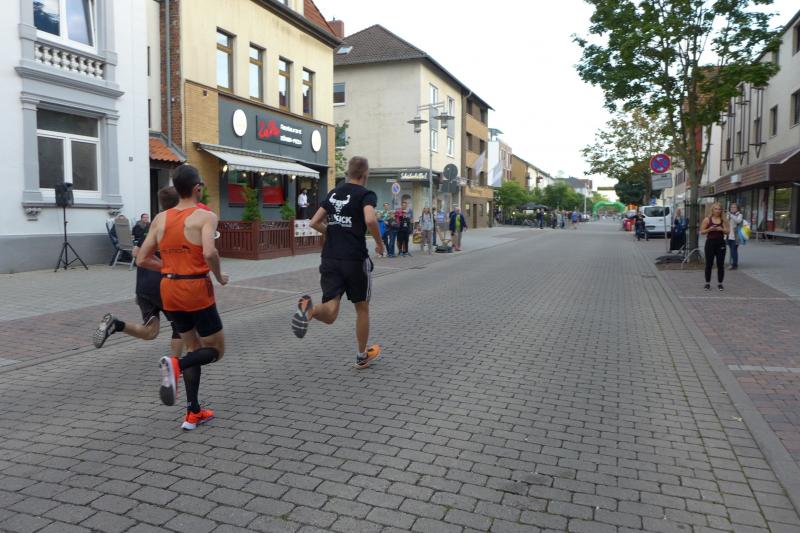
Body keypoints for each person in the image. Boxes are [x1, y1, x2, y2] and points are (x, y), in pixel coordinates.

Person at [138, 164, 229, 430]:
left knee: (193, 347)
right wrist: (220, 277)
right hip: (195, 289)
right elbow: (210, 253)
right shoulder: (206, 216)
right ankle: (175, 365)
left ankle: (193, 413)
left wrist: (168, 268)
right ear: (197, 187)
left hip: (169, 289)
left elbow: (142, 258)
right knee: (215, 351)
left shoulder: (160, 218)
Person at [291, 156, 385, 369]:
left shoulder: (334, 193)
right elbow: (370, 219)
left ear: (348, 173)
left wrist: (333, 232)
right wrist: (379, 244)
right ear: (365, 174)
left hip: (330, 257)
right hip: (355, 260)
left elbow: (314, 222)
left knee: (331, 312)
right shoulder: (366, 194)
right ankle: (361, 356)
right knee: (362, 308)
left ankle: (310, 310)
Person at [94, 187, 185, 359]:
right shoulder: (177, 224)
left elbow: (136, 252)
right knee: (180, 327)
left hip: (143, 285)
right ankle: (175, 366)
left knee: (150, 332)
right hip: (164, 284)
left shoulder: (153, 225)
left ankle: (116, 324)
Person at [700, 203, 729, 291]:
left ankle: (720, 283)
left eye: (719, 209)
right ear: (712, 210)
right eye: (716, 209)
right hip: (710, 243)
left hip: (721, 243)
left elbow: (728, 231)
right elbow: (702, 232)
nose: (717, 211)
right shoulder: (707, 219)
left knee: (720, 264)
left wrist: (722, 229)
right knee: (709, 264)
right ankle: (707, 283)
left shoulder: (723, 220)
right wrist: (710, 229)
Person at [727, 203, 743, 270]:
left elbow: (738, 221)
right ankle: (732, 263)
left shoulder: (739, 215)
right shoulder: (729, 215)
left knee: (734, 250)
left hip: (736, 236)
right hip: (729, 235)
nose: (732, 208)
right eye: (731, 207)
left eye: (734, 207)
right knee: (731, 250)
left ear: (737, 208)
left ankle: (734, 265)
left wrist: (731, 215)